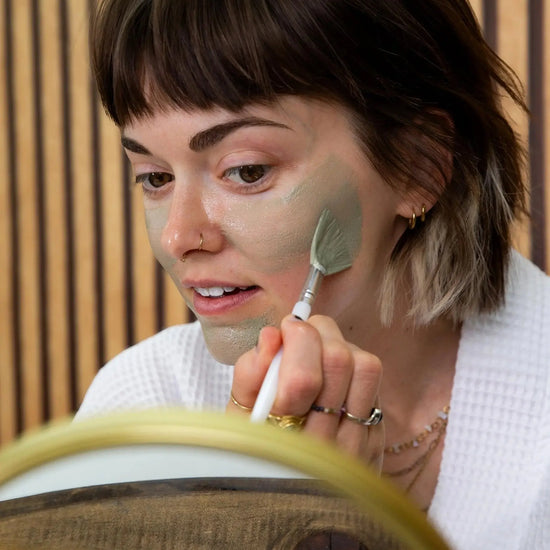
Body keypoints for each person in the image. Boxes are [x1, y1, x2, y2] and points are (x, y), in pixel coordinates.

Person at [76, 1, 550, 547]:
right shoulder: (145, 408)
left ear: (419, 164)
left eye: (246, 171)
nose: (177, 237)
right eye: (154, 178)